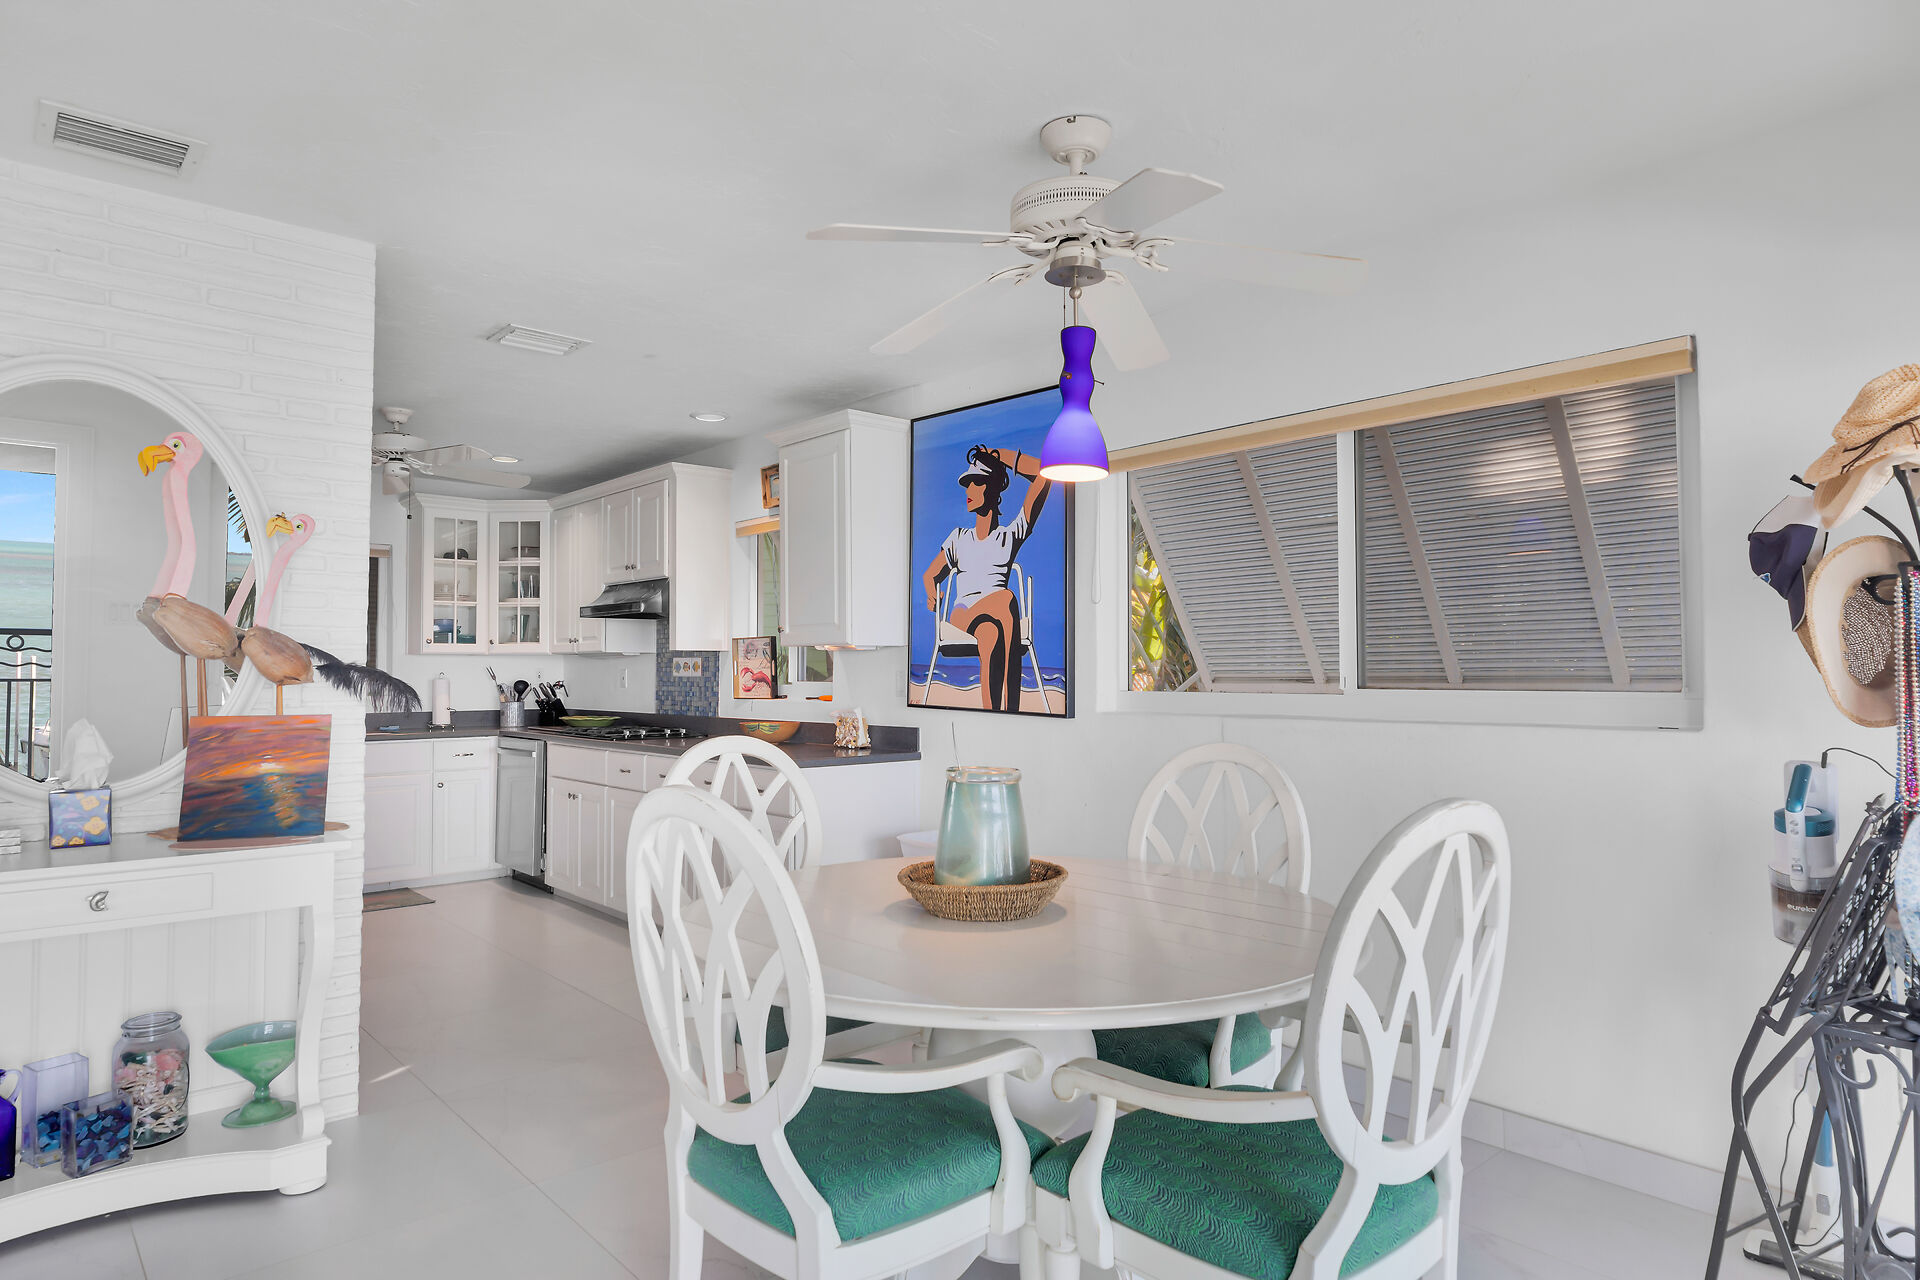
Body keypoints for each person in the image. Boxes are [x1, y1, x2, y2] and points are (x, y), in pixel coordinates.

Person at [921, 444, 1052, 710]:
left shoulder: (1009, 536)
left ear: (992, 488)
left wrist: (999, 456)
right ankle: (1013, 711)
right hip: (962, 615)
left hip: (994, 619)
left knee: (991, 634)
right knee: (1006, 598)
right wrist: (932, 593)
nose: (968, 491)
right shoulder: (959, 537)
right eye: (967, 484)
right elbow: (930, 574)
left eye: (976, 483)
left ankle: (994, 714)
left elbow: (1043, 474)